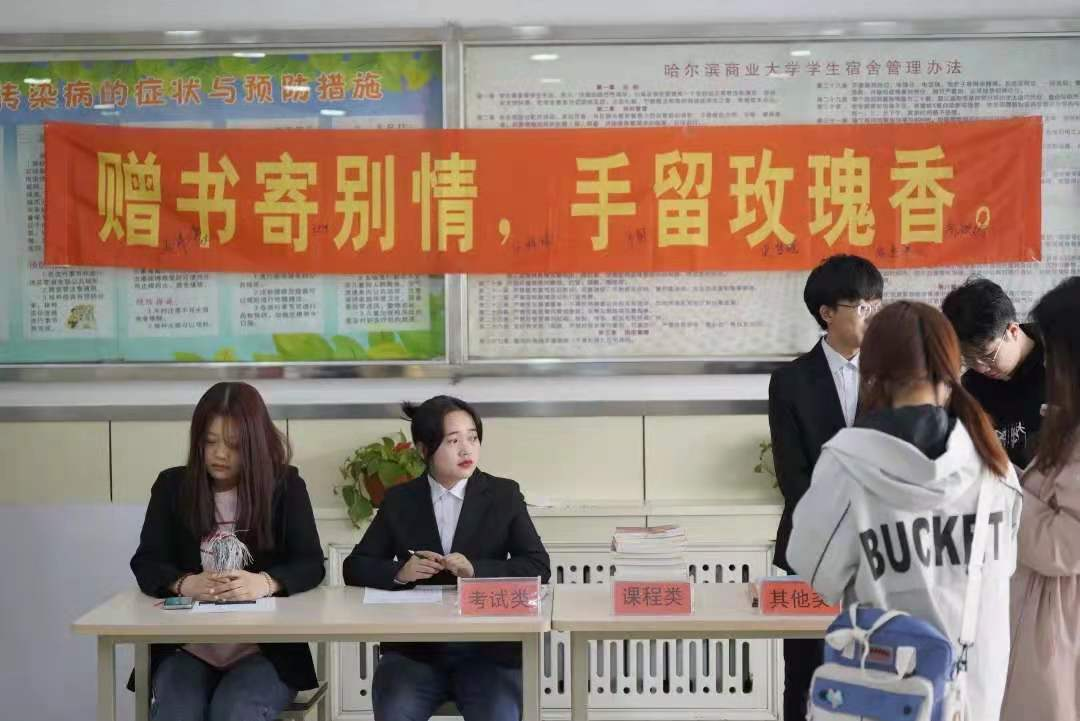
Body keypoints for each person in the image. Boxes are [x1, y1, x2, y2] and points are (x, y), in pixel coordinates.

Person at [788, 301, 1022, 721]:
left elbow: (813, 568)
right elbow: (1005, 567)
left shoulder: (848, 462)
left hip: (883, 691)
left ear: (872, 373)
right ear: (951, 367)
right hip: (975, 694)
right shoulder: (994, 464)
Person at [343, 395, 551, 721]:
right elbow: (355, 566)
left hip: (488, 653)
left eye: (473, 438)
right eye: (453, 441)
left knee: (499, 713)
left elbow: (538, 566)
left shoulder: (503, 495)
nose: (466, 450)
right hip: (415, 653)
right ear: (423, 450)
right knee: (396, 710)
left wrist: (475, 570)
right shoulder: (400, 500)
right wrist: (401, 572)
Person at [130, 382, 325, 721]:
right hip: (186, 647)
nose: (219, 454)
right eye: (209, 442)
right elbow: (147, 562)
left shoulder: (285, 486)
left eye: (233, 445)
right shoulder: (172, 486)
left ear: (255, 443)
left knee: (234, 710)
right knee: (178, 711)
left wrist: (266, 583)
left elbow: (310, 563)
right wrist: (184, 583)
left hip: (265, 650)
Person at [767, 253, 883, 719]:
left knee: (875, 668)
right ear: (827, 313)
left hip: (881, 546)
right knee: (805, 672)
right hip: (810, 546)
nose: (872, 315)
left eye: (877, 304)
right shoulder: (790, 381)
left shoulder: (892, 376)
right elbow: (792, 476)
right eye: (862, 306)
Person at [1002, 276, 1080, 721]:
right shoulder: (1067, 423)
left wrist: (1003, 488)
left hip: (1061, 627)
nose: (1047, 365)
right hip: (1044, 614)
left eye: (1053, 353)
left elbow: (1063, 546)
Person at [942, 277, 1045, 469]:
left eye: (987, 355)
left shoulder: (1059, 368)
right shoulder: (970, 387)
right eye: (968, 358)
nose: (980, 367)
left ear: (1012, 330)